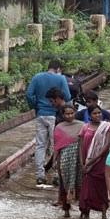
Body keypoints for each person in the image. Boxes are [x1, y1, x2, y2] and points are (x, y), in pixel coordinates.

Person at [26, 58, 71, 188]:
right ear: (58, 69)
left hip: (40, 115)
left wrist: (35, 106)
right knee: (56, 145)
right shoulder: (61, 78)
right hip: (55, 116)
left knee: (40, 145)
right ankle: (57, 175)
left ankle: (40, 176)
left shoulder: (37, 77)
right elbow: (67, 97)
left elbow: (29, 94)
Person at [78, 106, 110, 219]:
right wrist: (81, 163)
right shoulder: (85, 128)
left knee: (101, 187)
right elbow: (80, 146)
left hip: (100, 162)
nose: (97, 115)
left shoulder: (106, 127)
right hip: (87, 162)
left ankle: (104, 215)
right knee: (87, 188)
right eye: (94, 113)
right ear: (89, 116)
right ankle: (86, 213)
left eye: (99, 113)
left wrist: (95, 159)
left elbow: (107, 144)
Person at [53, 100, 83, 215]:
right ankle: (66, 210)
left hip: (78, 159)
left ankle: (82, 210)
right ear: (63, 115)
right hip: (65, 159)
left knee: (80, 182)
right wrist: (55, 161)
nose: (70, 116)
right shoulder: (59, 128)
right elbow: (57, 146)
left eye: (72, 113)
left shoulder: (81, 125)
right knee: (65, 182)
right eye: (67, 114)